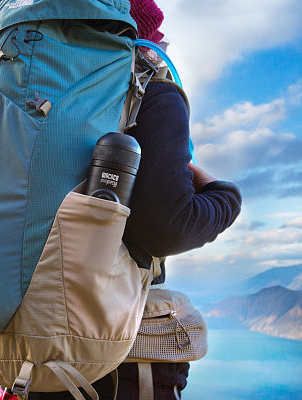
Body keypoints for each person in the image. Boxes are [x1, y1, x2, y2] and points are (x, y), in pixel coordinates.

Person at [26, 0, 242, 399]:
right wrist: (226, 196)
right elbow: (168, 227)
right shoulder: (144, 85)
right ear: (142, 39)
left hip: (27, 352)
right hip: (111, 362)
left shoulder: (25, 92)